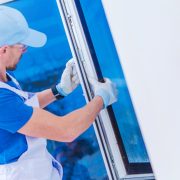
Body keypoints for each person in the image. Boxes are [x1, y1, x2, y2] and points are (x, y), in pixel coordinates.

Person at [0, 5, 118, 180]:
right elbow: (66, 130)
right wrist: (101, 98)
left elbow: (22, 106)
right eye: (22, 45)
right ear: (3, 49)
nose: (25, 50)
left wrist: (59, 90)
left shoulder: (6, 78)